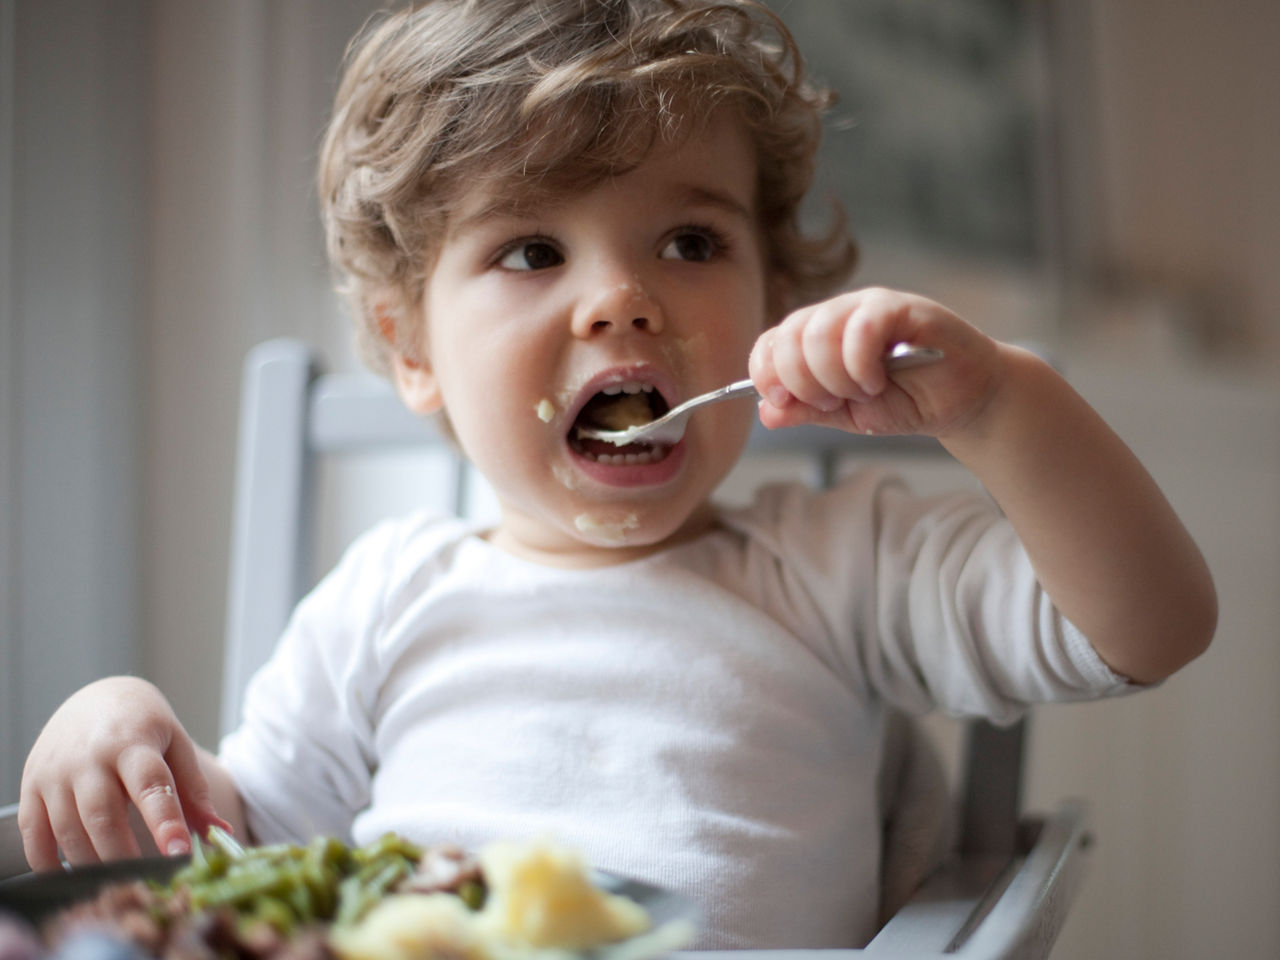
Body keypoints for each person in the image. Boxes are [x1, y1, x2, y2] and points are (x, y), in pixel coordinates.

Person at [19, 0, 1216, 949]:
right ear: (408, 347)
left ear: (772, 303)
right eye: (531, 249)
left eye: (689, 242)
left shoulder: (836, 566)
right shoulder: (380, 603)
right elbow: (250, 860)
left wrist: (999, 406)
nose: (622, 298)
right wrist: (117, 728)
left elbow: (1148, 626)